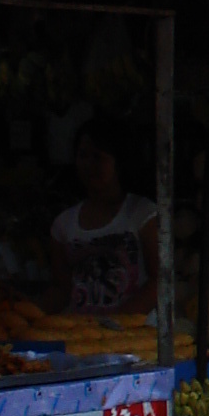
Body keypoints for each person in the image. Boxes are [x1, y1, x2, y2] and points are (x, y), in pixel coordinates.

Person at [50, 125, 159, 317]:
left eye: (98, 157)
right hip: (83, 338)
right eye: (83, 156)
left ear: (118, 162)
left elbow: (159, 282)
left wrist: (115, 323)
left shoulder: (143, 214)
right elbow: (63, 290)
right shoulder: (63, 224)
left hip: (135, 338)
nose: (89, 165)